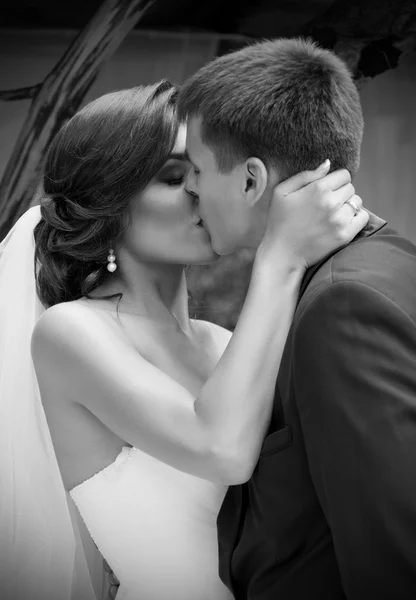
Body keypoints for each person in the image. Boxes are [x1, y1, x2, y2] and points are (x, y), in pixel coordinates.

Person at [0, 80, 366, 600]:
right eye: (175, 177)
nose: (201, 191)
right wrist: (280, 255)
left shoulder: (224, 344)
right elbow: (223, 449)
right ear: (110, 201)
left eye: (204, 170)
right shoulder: (71, 334)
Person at [175, 36, 416, 599]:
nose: (188, 187)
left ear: (251, 181)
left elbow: (395, 562)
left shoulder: (343, 307)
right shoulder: (380, 263)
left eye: (193, 168)